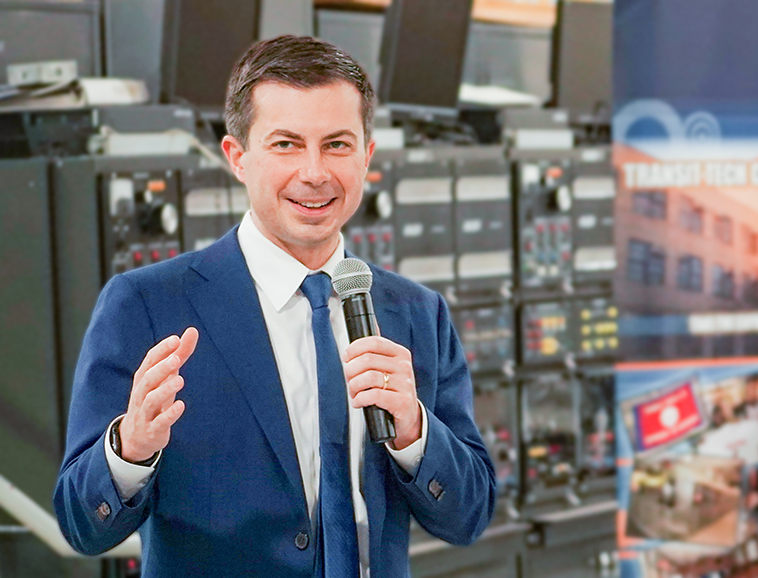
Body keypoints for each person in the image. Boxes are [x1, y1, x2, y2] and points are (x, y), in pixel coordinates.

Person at [53, 35, 495, 577]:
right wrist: (130, 449)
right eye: (286, 144)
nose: (314, 172)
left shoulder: (417, 313)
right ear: (237, 157)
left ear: (367, 156)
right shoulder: (147, 304)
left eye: (337, 144)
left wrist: (414, 432)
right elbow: (81, 524)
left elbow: (469, 515)